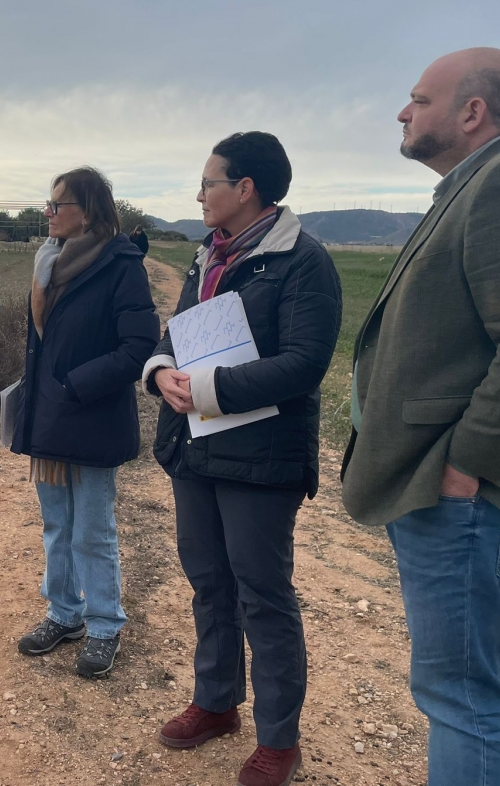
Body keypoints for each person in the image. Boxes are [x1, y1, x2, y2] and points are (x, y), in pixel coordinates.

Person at [342, 48, 500, 786]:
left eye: (418, 99)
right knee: (460, 685)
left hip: (478, 495)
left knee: (462, 696)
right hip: (462, 493)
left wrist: (466, 467)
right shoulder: (473, 185)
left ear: (472, 112)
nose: (402, 111)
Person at [143, 132, 341, 786]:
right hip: (196, 448)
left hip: (261, 457)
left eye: (209, 183)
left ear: (245, 188)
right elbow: (175, 336)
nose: (199, 195)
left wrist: (208, 389)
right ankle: (216, 701)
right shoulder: (209, 257)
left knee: (263, 594)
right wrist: (161, 373)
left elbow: (303, 365)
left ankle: (279, 739)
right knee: (209, 582)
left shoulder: (302, 262)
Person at [10, 168, 159, 678]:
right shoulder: (48, 263)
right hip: (50, 418)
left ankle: (102, 625)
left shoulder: (120, 264)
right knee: (57, 525)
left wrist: (76, 384)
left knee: (92, 529)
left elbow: (139, 345)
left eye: (57, 205)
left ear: (88, 211)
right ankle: (64, 613)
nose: (48, 213)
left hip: (90, 416)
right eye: (48, 204)